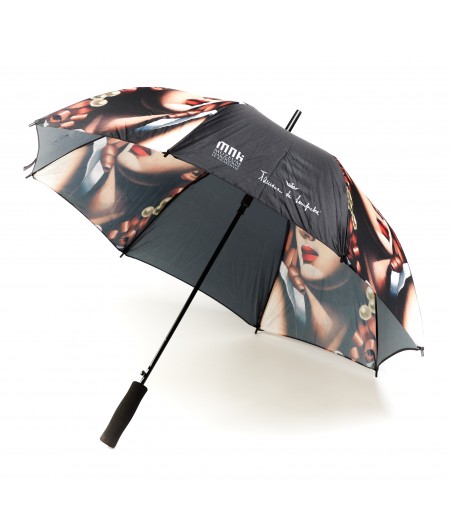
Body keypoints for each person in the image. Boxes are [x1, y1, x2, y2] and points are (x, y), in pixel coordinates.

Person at [261, 224, 377, 368]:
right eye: (303, 220)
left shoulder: (363, 346)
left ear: (354, 241)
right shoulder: (280, 293)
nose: (305, 233)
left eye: (325, 227)